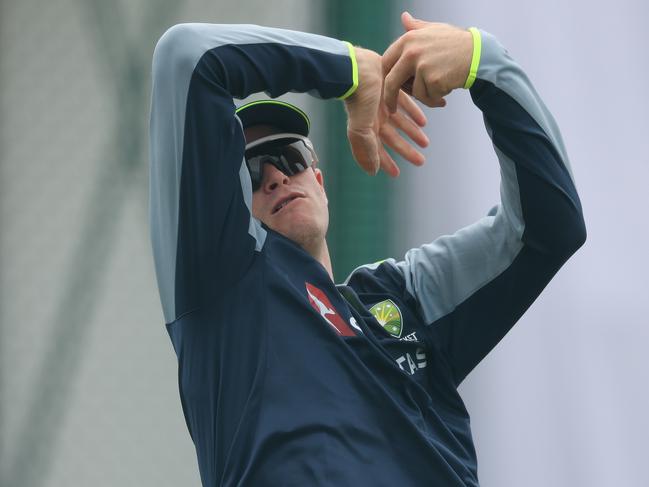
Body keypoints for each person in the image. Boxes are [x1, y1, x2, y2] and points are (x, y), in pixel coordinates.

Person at [149, 12, 586, 487]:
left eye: (290, 158)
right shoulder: (225, 287)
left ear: (319, 182)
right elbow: (187, 56)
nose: (275, 175)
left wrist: (485, 62)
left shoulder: (402, 297)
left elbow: (549, 228)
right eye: (252, 173)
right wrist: (353, 70)